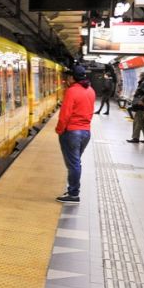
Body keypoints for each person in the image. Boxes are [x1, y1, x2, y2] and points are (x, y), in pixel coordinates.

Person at [55, 64, 96, 203]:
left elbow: (65, 114)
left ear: (72, 78)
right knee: (76, 162)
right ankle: (72, 190)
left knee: (73, 164)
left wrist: (60, 130)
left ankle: (73, 194)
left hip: (72, 132)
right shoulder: (91, 90)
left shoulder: (71, 91)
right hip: (85, 132)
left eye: (68, 76)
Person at [127, 71, 144, 143]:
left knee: (137, 122)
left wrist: (141, 101)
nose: (139, 77)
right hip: (143, 107)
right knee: (143, 123)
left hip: (141, 107)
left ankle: (135, 138)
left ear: (142, 76)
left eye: (140, 76)